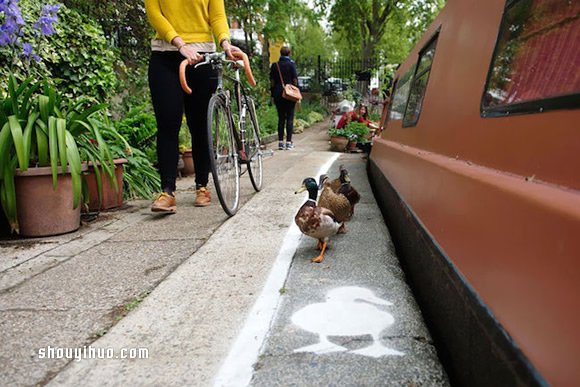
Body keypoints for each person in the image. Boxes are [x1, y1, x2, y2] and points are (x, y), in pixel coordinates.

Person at [145, 0, 242, 213]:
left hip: (202, 57)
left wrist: (225, 43)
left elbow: (216, 16)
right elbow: (155, 14)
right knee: (168, 122)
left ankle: (202, 186)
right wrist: (180, 44)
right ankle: (168, 191)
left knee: (199, 125)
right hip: (165, 56)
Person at [270, 46, 299, 150]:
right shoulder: (291, 65)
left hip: (278, 93)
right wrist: (296, 91)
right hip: (290, 94)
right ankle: (289, 143)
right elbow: (295, 80)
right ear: (289, 53)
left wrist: (273, 94)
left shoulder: (275, 65)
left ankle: (280, 142)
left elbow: (272, 81)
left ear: (280, 53)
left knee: (281, 118)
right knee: (290, 117)